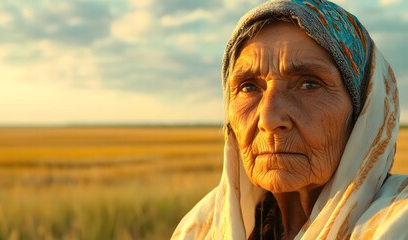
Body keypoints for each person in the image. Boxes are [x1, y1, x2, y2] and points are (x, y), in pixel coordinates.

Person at [172, 0, 408, 239]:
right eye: (248, 87)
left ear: (365, 112)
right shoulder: (199, 228)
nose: (269, 119)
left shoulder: (399, 223)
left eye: (309, 84)